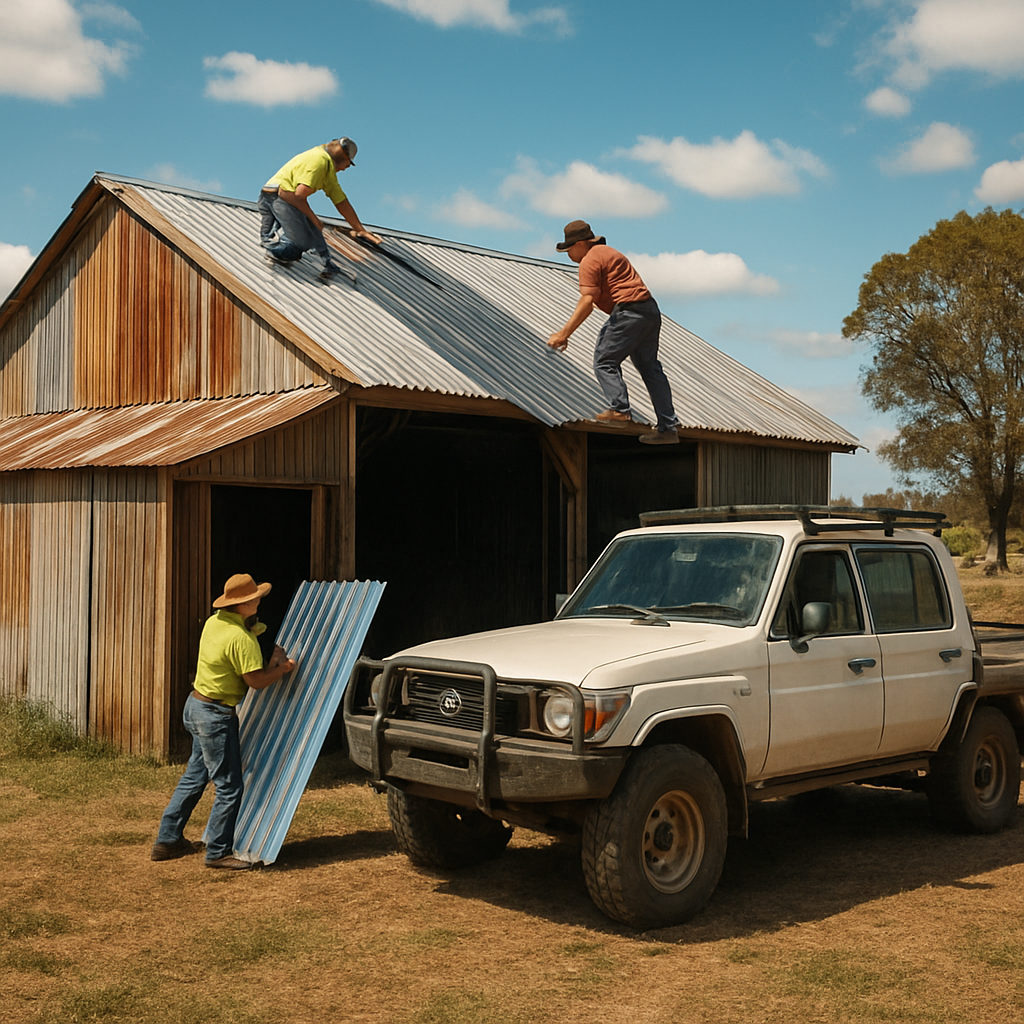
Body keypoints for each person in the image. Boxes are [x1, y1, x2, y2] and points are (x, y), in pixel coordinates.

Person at [151, 573, 296, 870]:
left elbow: (239, 661)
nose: (258, 601)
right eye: (253, 598)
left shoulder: (215, 622)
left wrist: (266, 655)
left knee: (194, 777)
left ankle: (167, 840)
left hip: (195, 706)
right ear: (241, 604)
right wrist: (283, 669)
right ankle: (218, 852)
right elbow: (255, 681)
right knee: (230, 785)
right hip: (216, 717)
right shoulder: (240, 639)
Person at [547, 220, 681, 445]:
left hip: (628, 311)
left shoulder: (589, 260)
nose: (569, 254)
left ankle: (619, 410)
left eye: (569, 249)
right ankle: (668, 426)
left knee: (604, 361)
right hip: (649, 311)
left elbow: (587, 302)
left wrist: (563, 334)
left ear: (580, 244)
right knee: (650, 369)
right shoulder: (609, 252)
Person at [258, 137, 382, 281]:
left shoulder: (327, 168)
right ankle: (275, 252)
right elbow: (299, 195)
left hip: (276, 195)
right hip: (279, 197)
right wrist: (314, 219)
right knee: (302, 242)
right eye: (347, 164)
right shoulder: (320, 161)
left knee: (312, 231)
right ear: (343, 157)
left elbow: (342, 202)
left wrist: (360, 230)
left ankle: (322, 262)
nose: (344, 169)